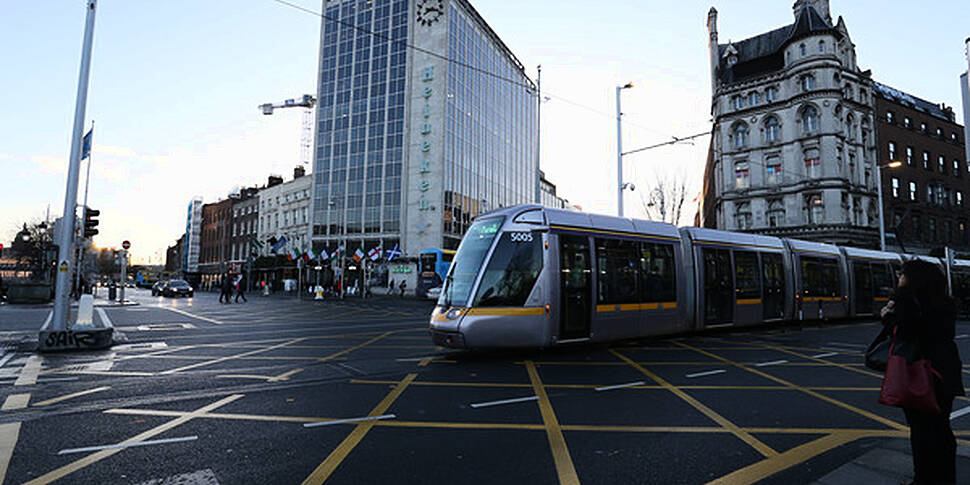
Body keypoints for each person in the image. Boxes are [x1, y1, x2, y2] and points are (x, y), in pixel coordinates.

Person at [880, 259, 964, 485]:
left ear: (912, 278)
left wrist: (887, 316)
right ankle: (946, 478)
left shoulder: (908, 301)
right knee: (942, 430)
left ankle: (923, 479)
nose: (899, 278)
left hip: (920, 374)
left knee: (921, 432)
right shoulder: (945, 303)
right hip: (946, 372)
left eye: (902, 274)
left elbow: (905, 332)